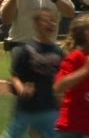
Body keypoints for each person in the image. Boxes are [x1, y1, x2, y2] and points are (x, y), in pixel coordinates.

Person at [2, 8, 64, 138]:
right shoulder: (27, 50)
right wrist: (22, 89)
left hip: (49, 107)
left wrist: (62, 99)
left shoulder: (58, 51)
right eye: (45, 21)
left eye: (52, 21)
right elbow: (15, 76)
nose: (50, 24)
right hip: (27, 108)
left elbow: (63, 78)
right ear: (36, 24)